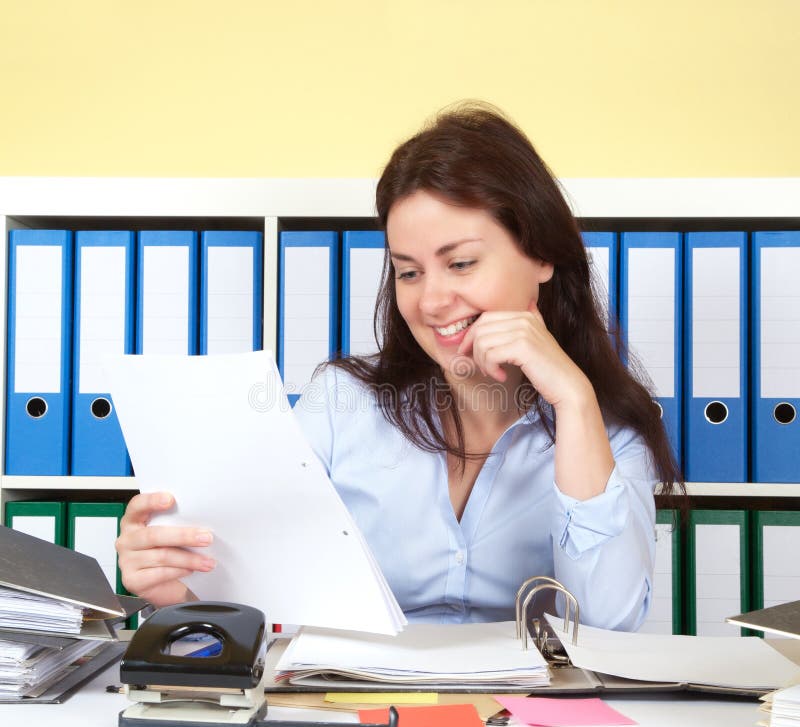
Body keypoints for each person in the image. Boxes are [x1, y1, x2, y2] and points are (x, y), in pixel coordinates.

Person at [116, 102, 681, 630]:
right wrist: (179, 593)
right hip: (359, 714)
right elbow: (264, 601)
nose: (431, 301)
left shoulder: (605, 432)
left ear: (541, 256)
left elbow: (611, 631)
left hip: (526, 725)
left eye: (460, 263)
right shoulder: (343, 407)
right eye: (409, 272)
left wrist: (574, 402)